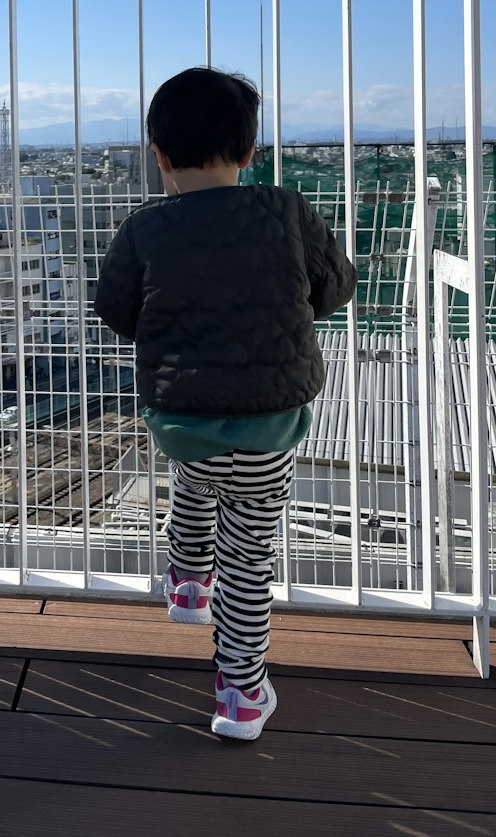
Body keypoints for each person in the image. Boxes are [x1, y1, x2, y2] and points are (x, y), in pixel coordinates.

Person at [94, 67, 356, 740]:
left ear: (158, 156)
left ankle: (185, 581)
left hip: (182, 419)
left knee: (194, 478)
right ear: (249, 152)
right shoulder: (288, 210)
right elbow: (335, 287)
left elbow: (115, 311)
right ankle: (241, 695)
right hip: (269, 424)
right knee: (248, 557)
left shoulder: (146, 227)